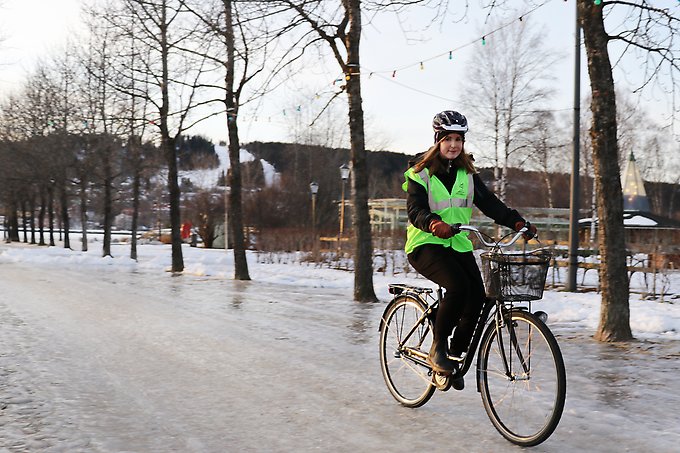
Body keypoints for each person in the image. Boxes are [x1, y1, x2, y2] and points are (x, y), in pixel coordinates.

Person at [403, 110, 537, 390]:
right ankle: (438, 349)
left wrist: (516, 221)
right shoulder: (420, 173)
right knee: (458, 288)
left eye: (459, 139)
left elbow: (490, 204)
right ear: (438, 139)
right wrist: (433, 223)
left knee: (478, 296)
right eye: (448, 139)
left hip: (458, 243)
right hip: (425, 244)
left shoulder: (467, 174)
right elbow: (415, 210)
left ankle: (454, 355)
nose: (453, 145)